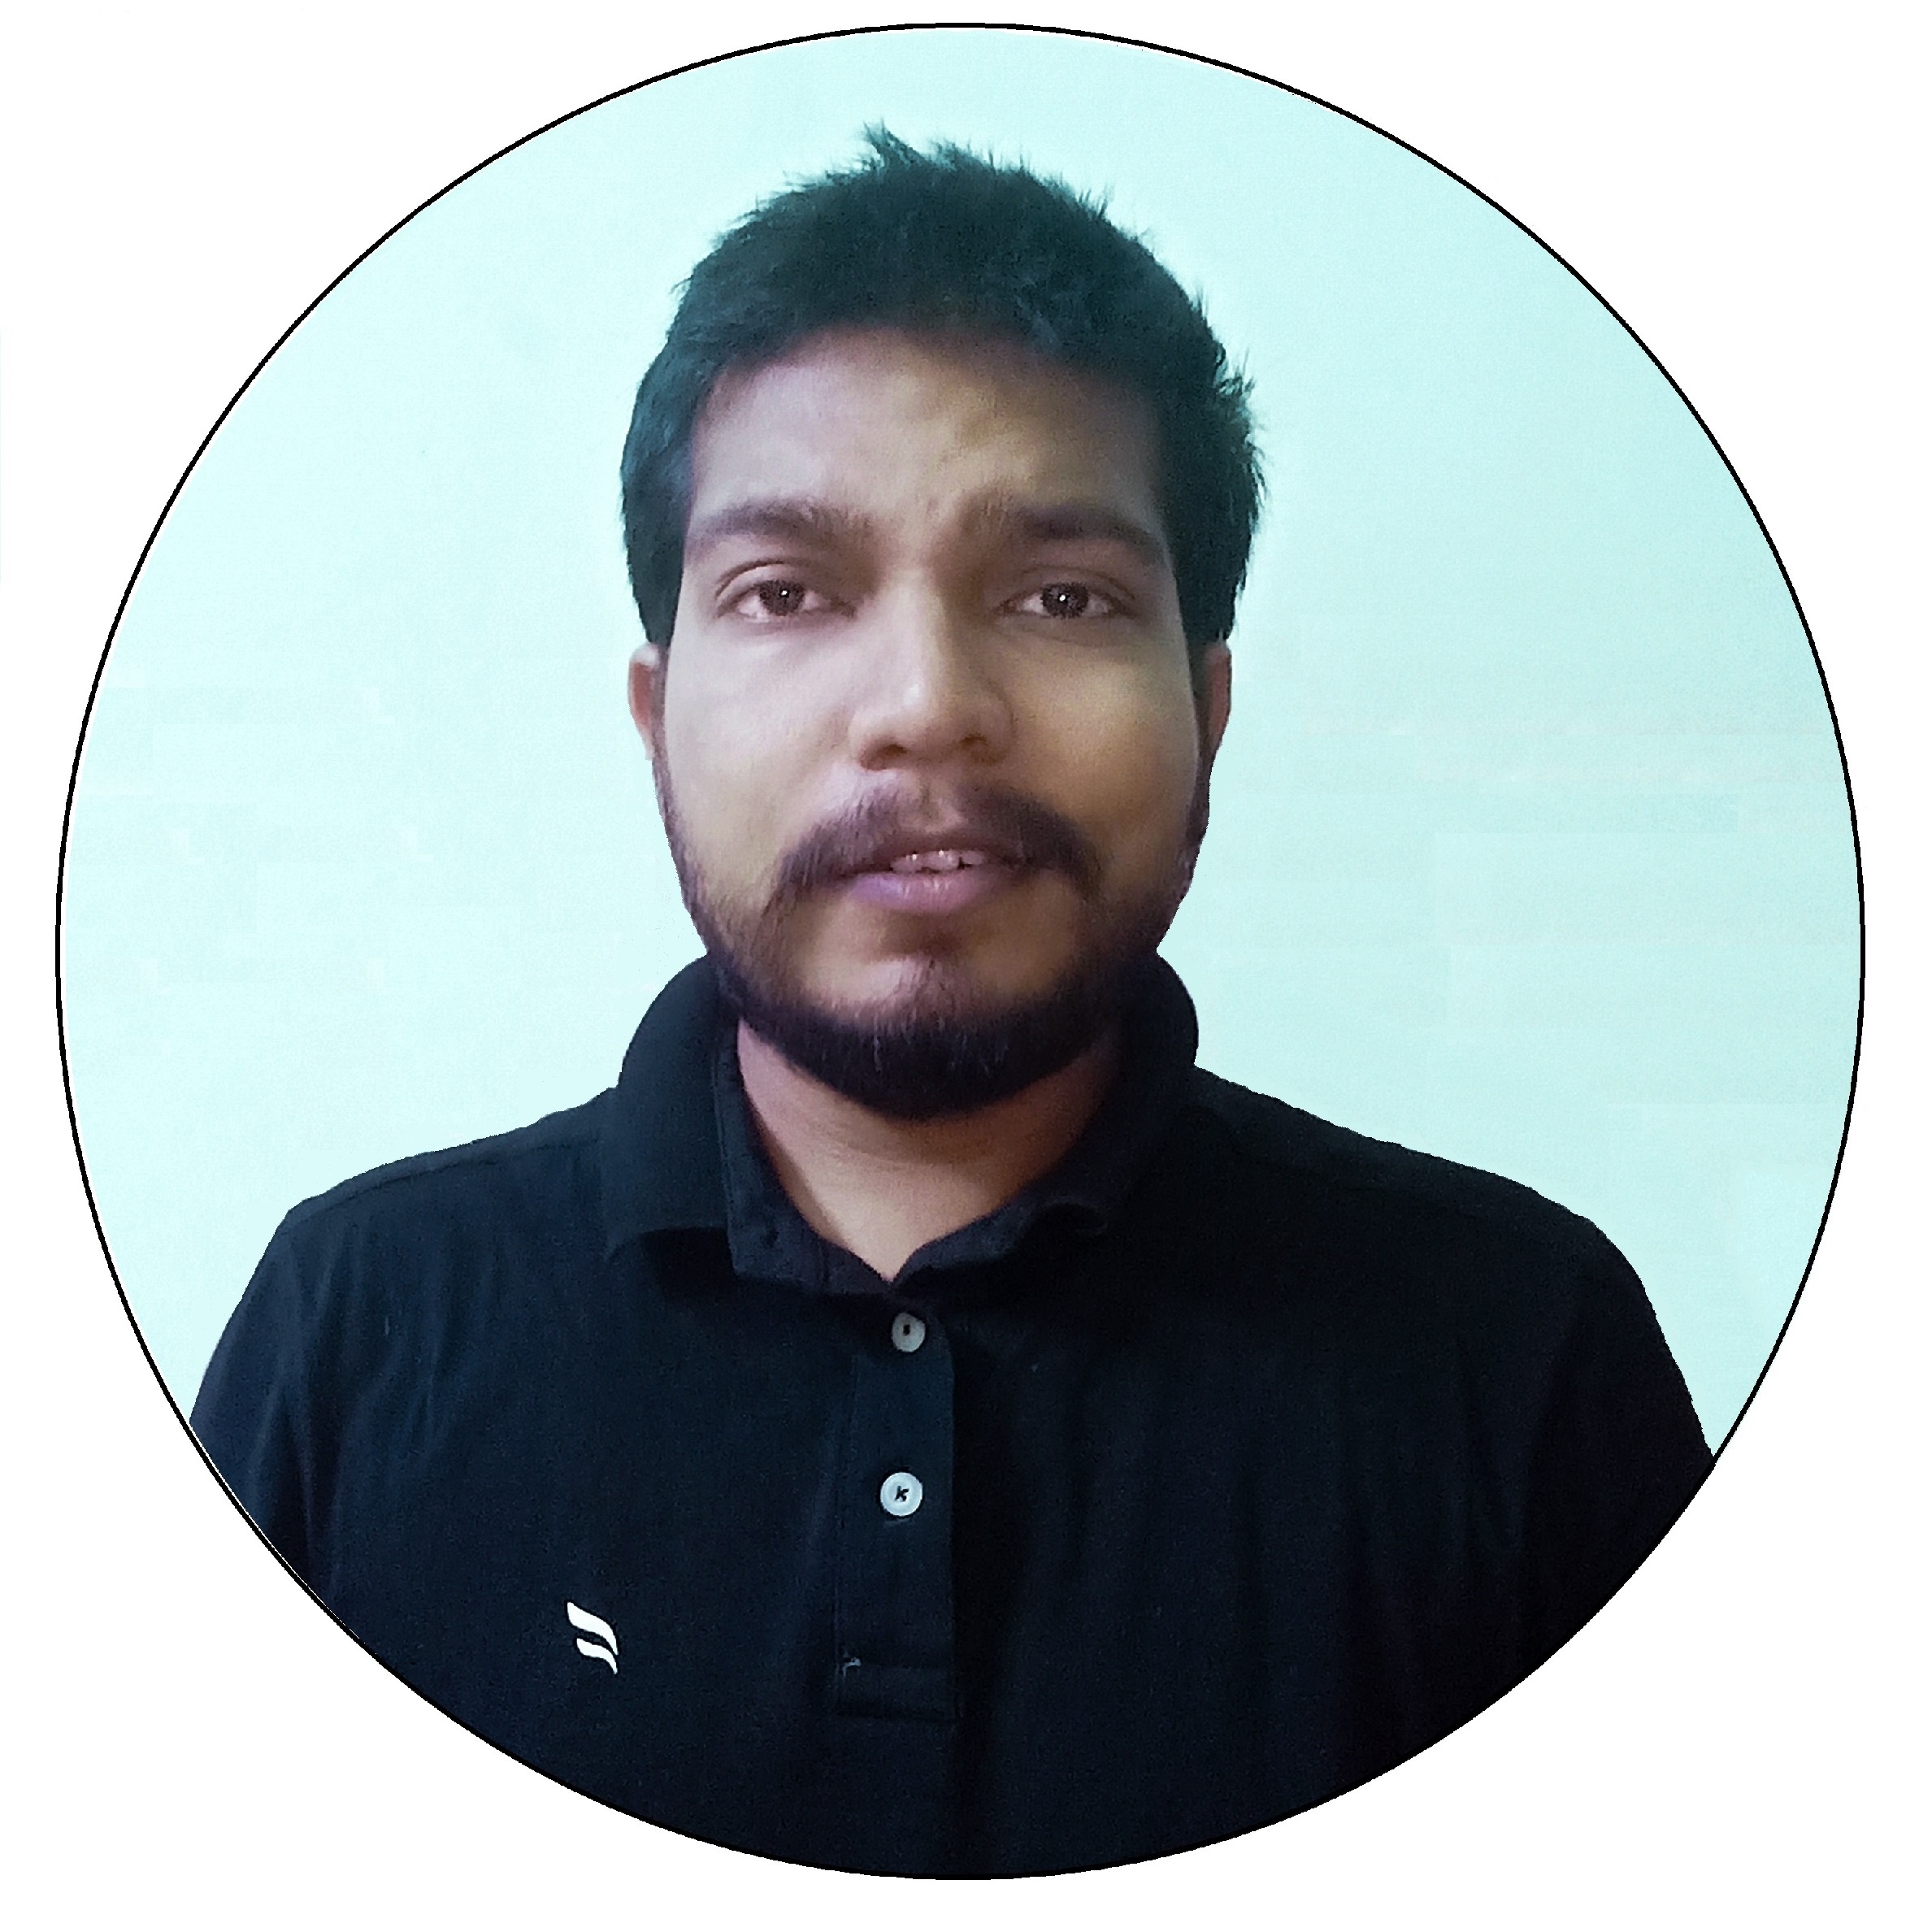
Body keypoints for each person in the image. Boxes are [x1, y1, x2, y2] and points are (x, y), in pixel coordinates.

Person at [192, 132, 1712, 1877]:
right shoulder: (358, 1327)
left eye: (1062, 596)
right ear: (657, 719)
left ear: (1206, 713)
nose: (924, 703)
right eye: (786, 591)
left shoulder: (1520, 1357)